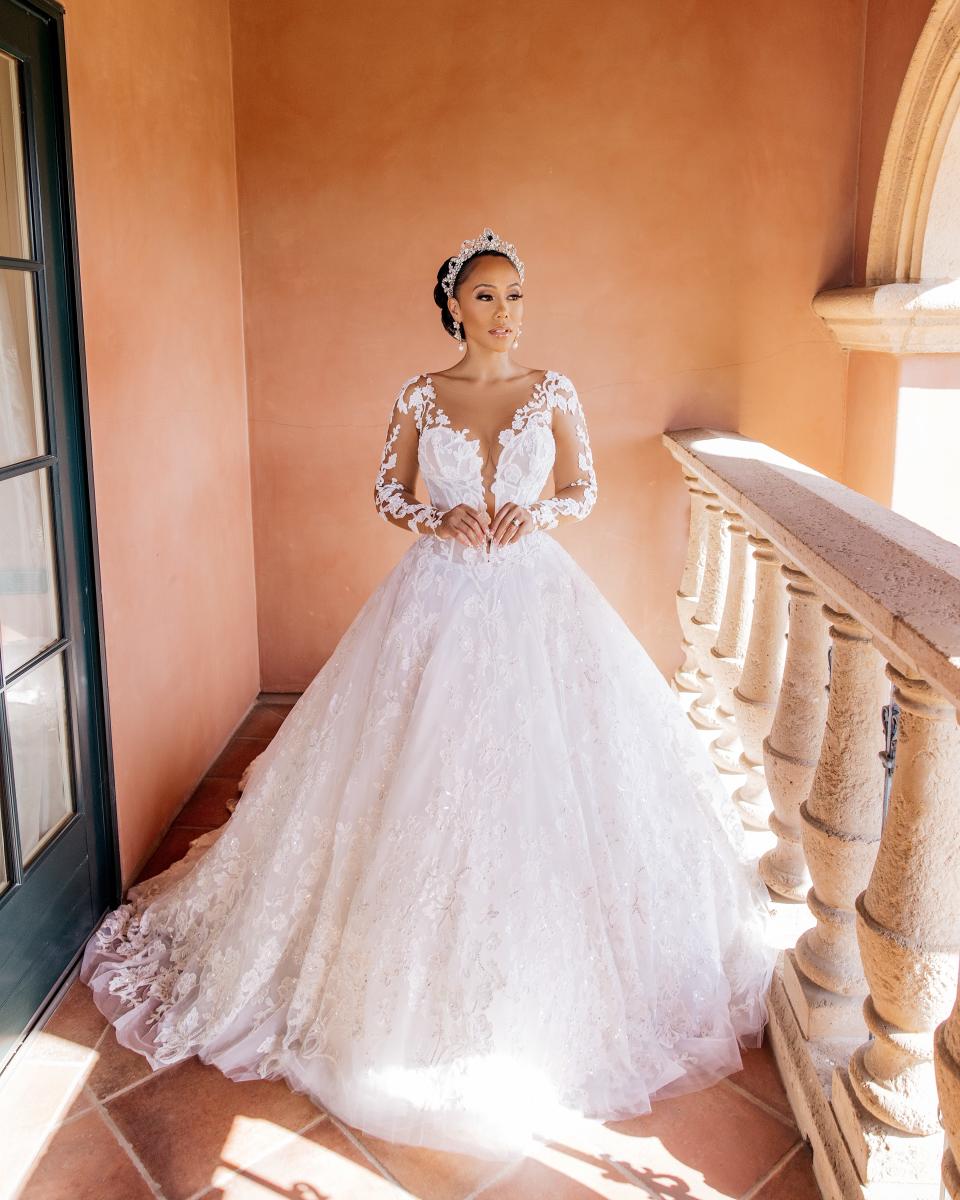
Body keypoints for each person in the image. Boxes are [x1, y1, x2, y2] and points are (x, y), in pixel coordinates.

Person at [81, 227, 777, 1163]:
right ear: (454, 305)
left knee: (553, 779)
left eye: (516, 295)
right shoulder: (421, 393)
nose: (504, 313)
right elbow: (387, 492)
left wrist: (539, 511)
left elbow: (584, 483)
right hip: (437, 592)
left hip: (535, 593)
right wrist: (434, 513)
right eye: (486, 296)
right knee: (407, 771)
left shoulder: (553, 391)